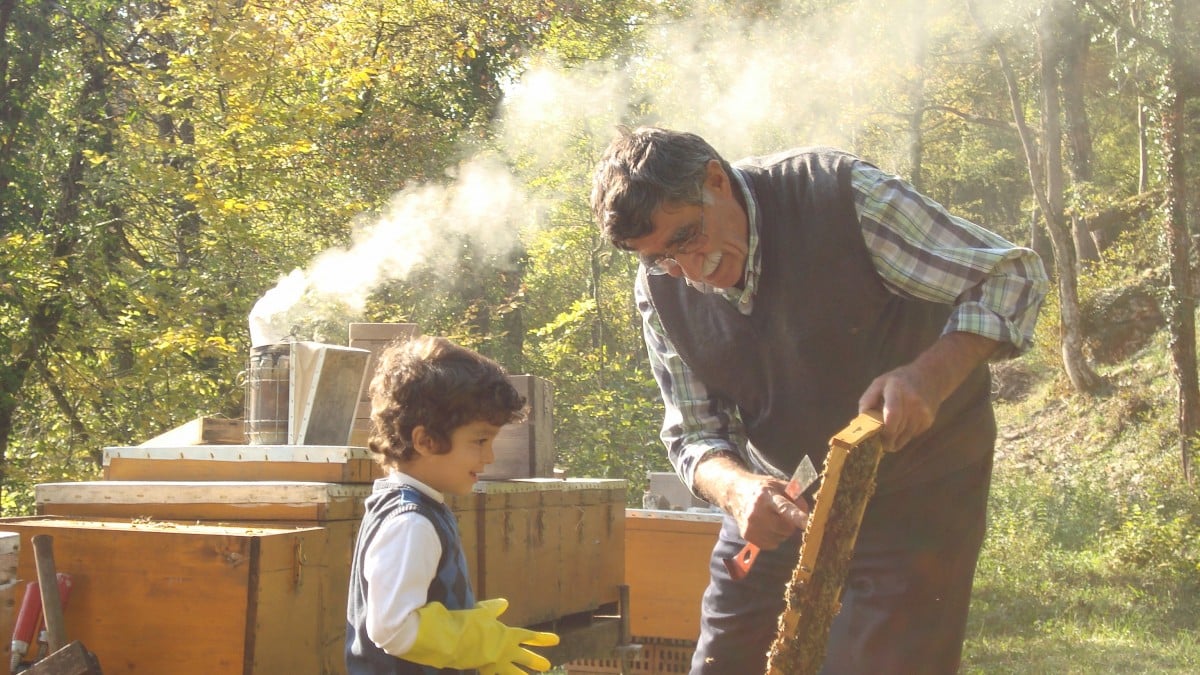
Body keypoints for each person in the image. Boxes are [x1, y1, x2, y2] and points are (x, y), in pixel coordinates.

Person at [591, 126, 1048, 674]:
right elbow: (694, 433)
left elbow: (1010, 276)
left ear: (716, 180)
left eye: (687, 236)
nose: (690, 271)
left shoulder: (842, 198)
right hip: (779, 494)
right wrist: (737, 491)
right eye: (661, 258)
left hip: (921, 489)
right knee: (723, 661)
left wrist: (931, 375)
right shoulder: (660, 288)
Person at [345, 335, 560, 675]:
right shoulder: (410, 522)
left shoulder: (418, 507)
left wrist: (461, 620)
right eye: (479, 441)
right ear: (425, 440)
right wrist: (474, 641)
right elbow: (392, 628)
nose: (489, 457)